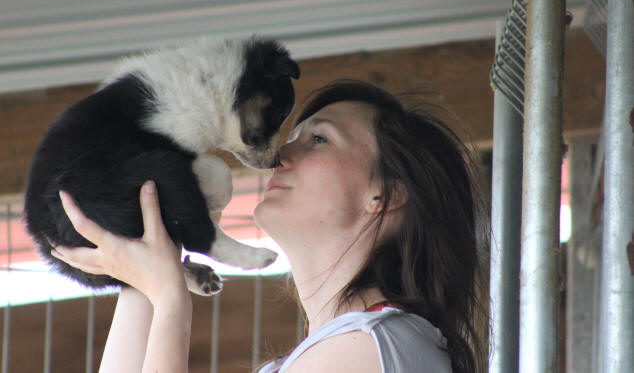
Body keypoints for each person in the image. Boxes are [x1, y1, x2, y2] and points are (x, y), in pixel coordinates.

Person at [51, 80, 489, 373]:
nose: (279, 156)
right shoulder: (350, 347)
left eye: (319, 139)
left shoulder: (374, 345)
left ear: (387, 195)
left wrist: (169, 296)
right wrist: (144, 278)